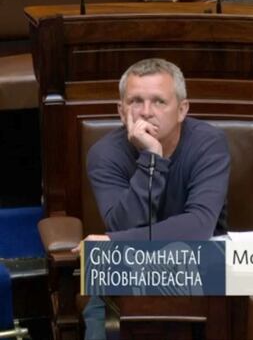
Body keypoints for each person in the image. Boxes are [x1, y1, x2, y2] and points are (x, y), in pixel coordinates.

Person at [76, 58, 231, 339]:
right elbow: (124, 223)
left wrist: (114, 242)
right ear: (121, 111)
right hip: (126, 271)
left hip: (198, 267)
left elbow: (199, 226)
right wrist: (151, 158)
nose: (146, 113)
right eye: (135, 101)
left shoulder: (209, 143)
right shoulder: (104, 154)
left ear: (182, 109)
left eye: (159, 101)